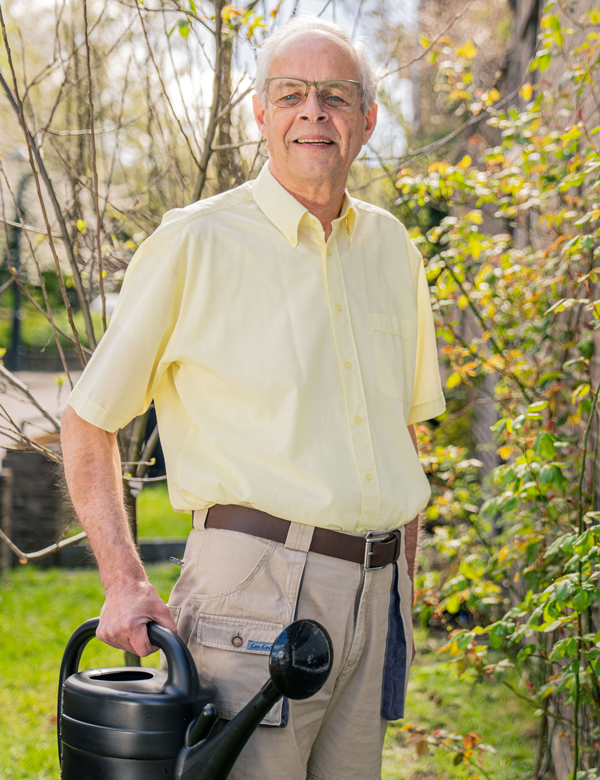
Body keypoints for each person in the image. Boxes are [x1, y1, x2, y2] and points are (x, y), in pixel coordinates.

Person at [61, 15, 445, 780]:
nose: (314, 111)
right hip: (254, 593)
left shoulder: (394, 249)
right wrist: (124, 580)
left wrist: (401, 577)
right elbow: (86, 421)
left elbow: (401, 426)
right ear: (260, 116)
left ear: (368, 119)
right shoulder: (196, 242)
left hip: (378, 596)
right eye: (292, 94)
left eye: (336, 95)